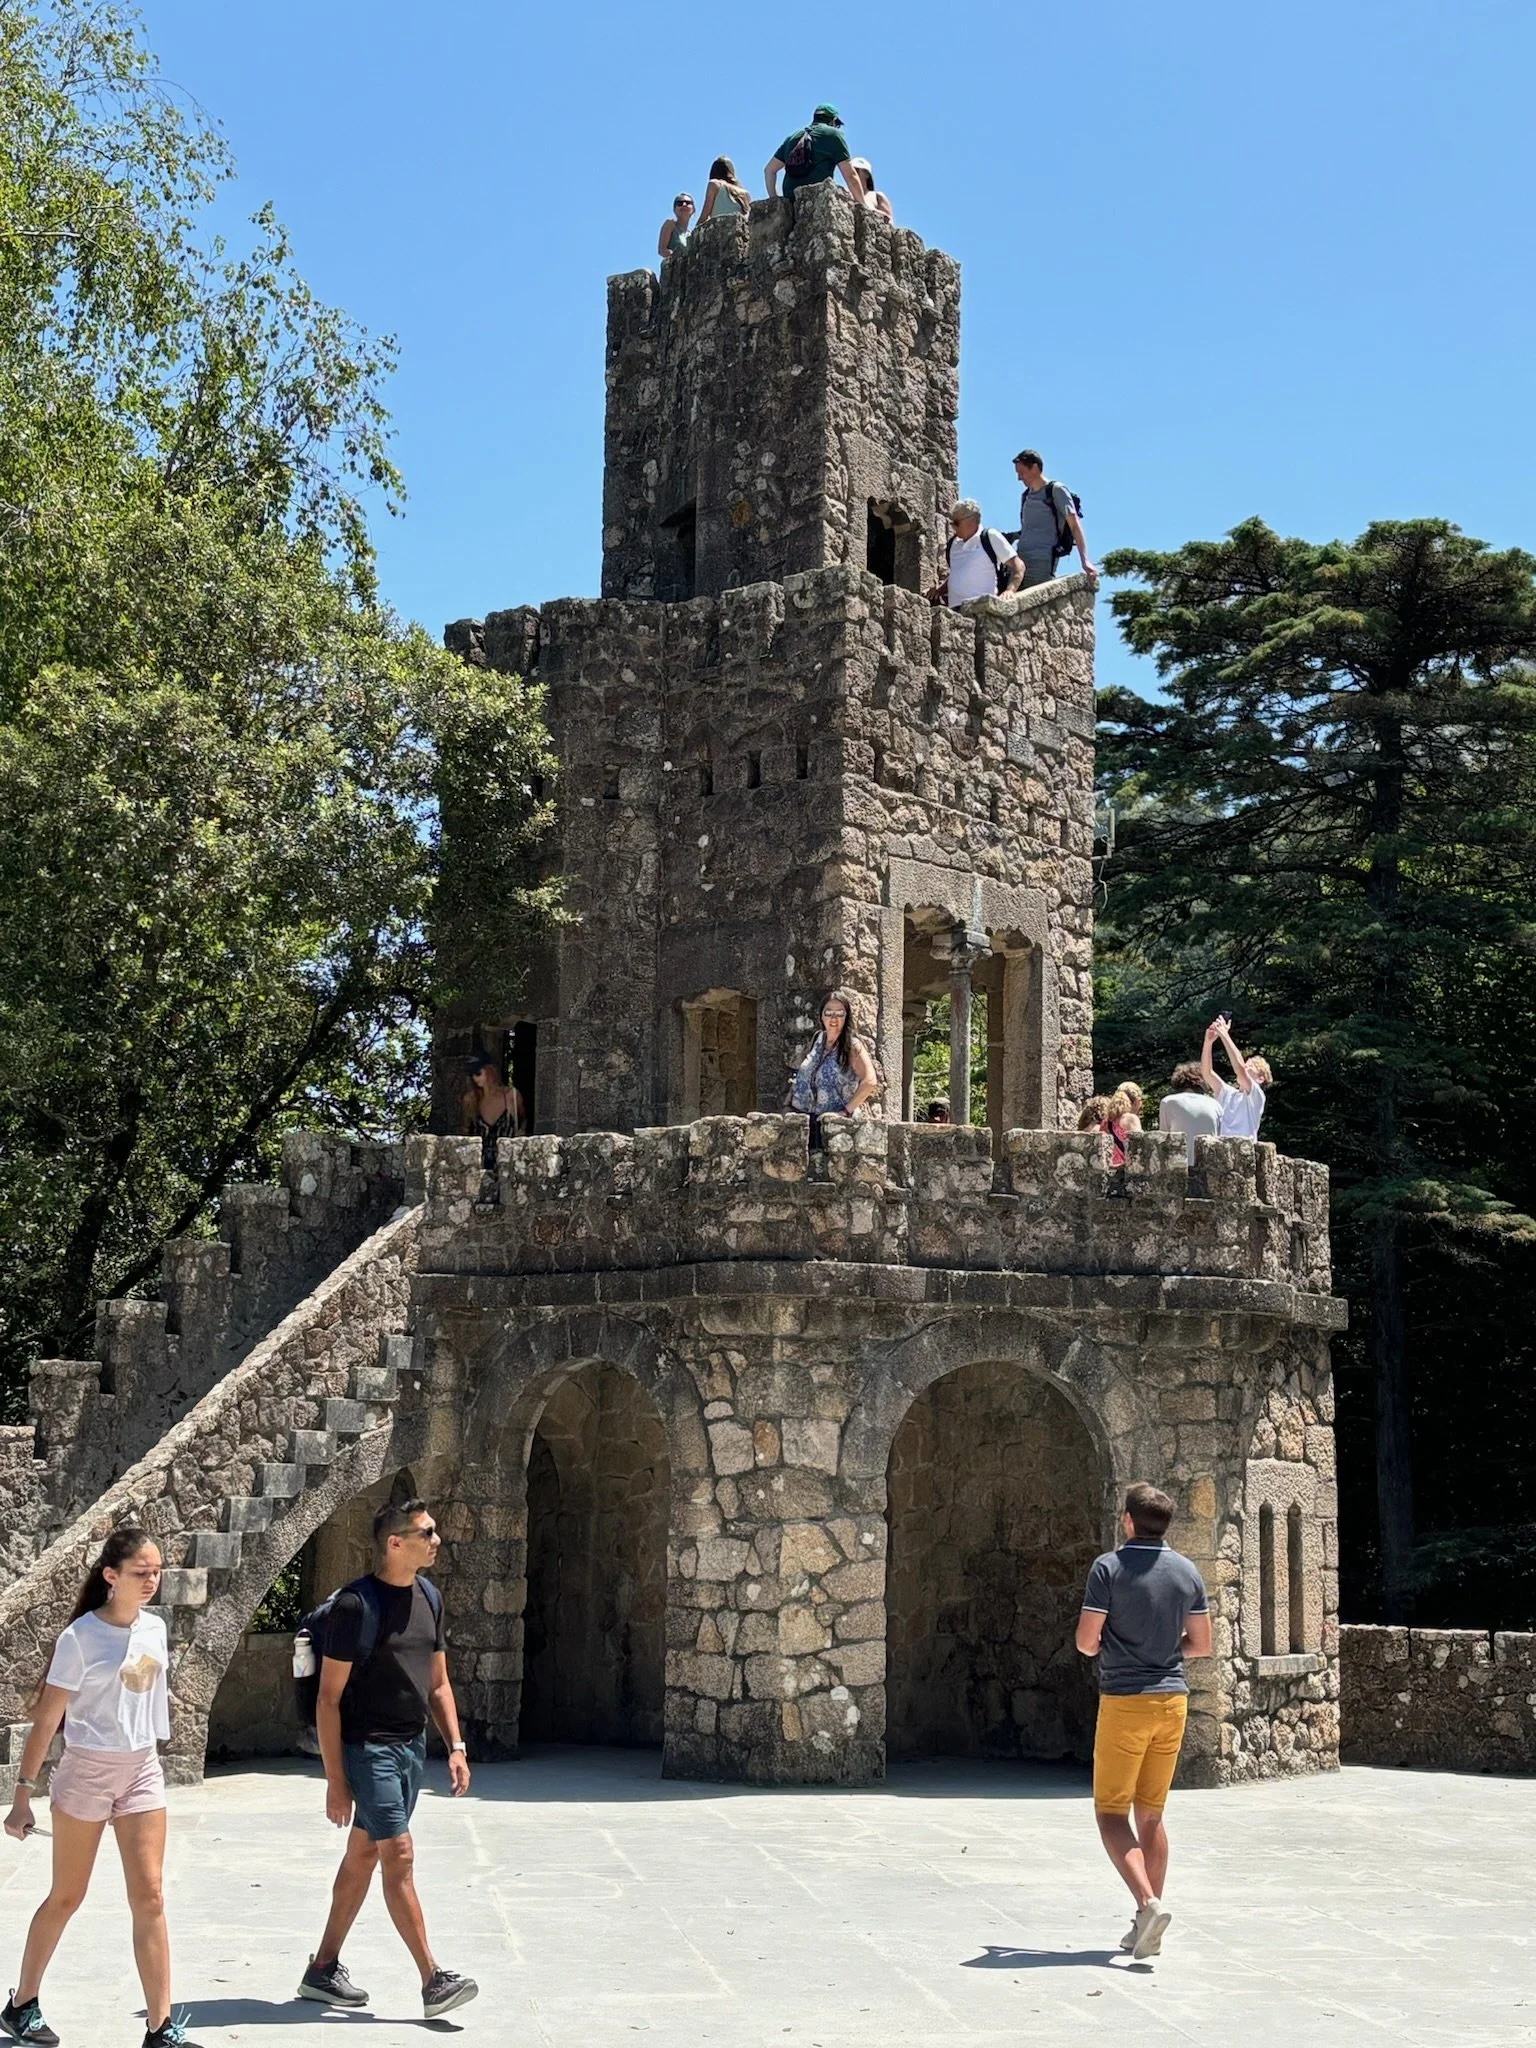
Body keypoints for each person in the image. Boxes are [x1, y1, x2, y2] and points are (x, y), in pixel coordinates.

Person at [3, 1526, 203, 2048]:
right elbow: (47, 1720)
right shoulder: (80, 1638)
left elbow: (144, 1697)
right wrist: (22, 1796)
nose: (152, 1581)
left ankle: (160, 2027)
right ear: (111, 1576)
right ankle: (22, 2003)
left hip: (141, 1770)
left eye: (157, 1572)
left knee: (151, 1896)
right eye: (141, 1572)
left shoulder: (155, 1628)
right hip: (87, 1771)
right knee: (68, 1895)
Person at [298, 1499, 476, 2022]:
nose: (436, 1540)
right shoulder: (356, 1607)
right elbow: (328, 1699)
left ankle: (322, 1969)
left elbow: (437, 1683)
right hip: (367, 1748)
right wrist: (335, 1780)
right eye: (427, 1533)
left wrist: (456, 1746)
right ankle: (433, 1979)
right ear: (395, 1543)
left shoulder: (430, 1597)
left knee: (364, 1855)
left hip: (411, 1747)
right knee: (398, 1854)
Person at [1075, 1482, 1212, 1963]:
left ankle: (1148, 1904)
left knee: (1111, 1814)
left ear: (1129, 1521)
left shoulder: (1108, 1568)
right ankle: (1144, 1924)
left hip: (1125, 1703)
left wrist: (1117, 1649)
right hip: (1173, 1701)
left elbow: (1086, 1642)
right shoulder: (1187, 1571)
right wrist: (1162, 1652)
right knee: (1151, 1815)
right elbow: (1201, 1644)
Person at [789, 990, 880, 1145]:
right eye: (829, 1013)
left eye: (840, 1014)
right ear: (821, 1016)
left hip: (834, 1129)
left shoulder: (852, 1045)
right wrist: (788, 1104)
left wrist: (845, 1112)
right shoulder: (818, 1039)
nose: (833, 1018)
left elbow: (870, 1081)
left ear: (846, 1017)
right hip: (806, 1123)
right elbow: (804, 1074)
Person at [1011, 449, 1097, 587]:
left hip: (1042, 562)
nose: (1019, 478)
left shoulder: (1056, 490)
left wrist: (1084, 560)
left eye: (1022, 472)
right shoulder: (1025, 496)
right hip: (1019, 560)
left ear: (1034, 468)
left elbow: (1074, 525)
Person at [765, 105, 865, 208]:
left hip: (791, 200)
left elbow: (769, 170)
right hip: (818, 201)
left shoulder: (792, 137)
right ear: (833, 120)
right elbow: (850, 175)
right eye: (837, 125)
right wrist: (863, 207)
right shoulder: (833, 135)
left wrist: (775, 200)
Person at [935, 501, 1022, 608]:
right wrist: (939, 590)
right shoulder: (953, 544)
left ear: (971, 521)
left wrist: (1010, 590)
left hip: (982, 610)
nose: (953, 527)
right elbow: (958, 573)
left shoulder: (988, 537)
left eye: (956, 523)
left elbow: (1019, 565)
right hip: (954, 611)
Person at [1200, 1016, 1271, 1141]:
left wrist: (1224, 1035)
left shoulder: (1256, 1096)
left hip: (1244, 1148)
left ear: (1260, 1079)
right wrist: (1208, 1042)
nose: (1246, 1065)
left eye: (1252, 1066)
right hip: (1222, 1148)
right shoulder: (1228, 1094)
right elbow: (1207, 1073)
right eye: (1246, 1063)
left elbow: (1240, 1069)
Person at [460, 1053, 525, 1171]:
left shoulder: (511, 1096)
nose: (475, 1078)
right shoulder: (470, 1100)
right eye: (471, 1074)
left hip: (508, 1164)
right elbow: (466, 1131)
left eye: (478, 1073)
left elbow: (522, 1123)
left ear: (490, 1070)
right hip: (479, 1167)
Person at [1156, 1061, 1221, 1165]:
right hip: (1208, 1165)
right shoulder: (1215, 1104)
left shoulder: (1168, 1102)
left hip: (1179, 1164)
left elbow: (1163, 1138)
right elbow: (1218, 1137)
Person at [1100, 1083, 1144, 1168]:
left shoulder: (1105, 1121)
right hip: (1126, 1169)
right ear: (1136, 1102)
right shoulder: (1131, 1119)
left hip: (1109, 1168)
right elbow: (1139, 1149)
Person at [697, 157, 751, 225]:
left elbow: (704, 217)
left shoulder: (714, 185)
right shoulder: (745, 194)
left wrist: (694, 230)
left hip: (721, 228)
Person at [657, 192, 694, 260]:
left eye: (688, 203)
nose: (684, 205)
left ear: (693, 210)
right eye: (679, 203)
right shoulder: (670, 224)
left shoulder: (692, 234)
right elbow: (662, 250)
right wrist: (675, 255)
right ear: (674, 210)